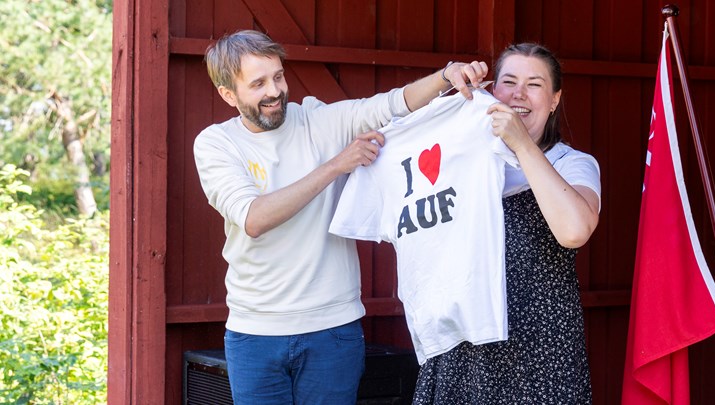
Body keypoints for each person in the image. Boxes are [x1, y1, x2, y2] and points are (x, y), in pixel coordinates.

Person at [193, 29, 487, 405]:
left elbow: (390, 105)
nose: (274, 90)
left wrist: (445, 77)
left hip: (332, 329)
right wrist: (336, 165)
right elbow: (254, 218)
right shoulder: (216, 143)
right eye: (258, 83)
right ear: (228, 94)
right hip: (254, 333)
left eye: (278, 76)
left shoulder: (317, 120)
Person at [411, 43, 600, 404]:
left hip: (540, 353)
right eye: (509, 81)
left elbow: (574, 231)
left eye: (535, 84)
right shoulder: (456, 163)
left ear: (555, 99)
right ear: (492, 91)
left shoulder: (572, 164)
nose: (519, 94)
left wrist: (521, 144)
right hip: (463, 349)